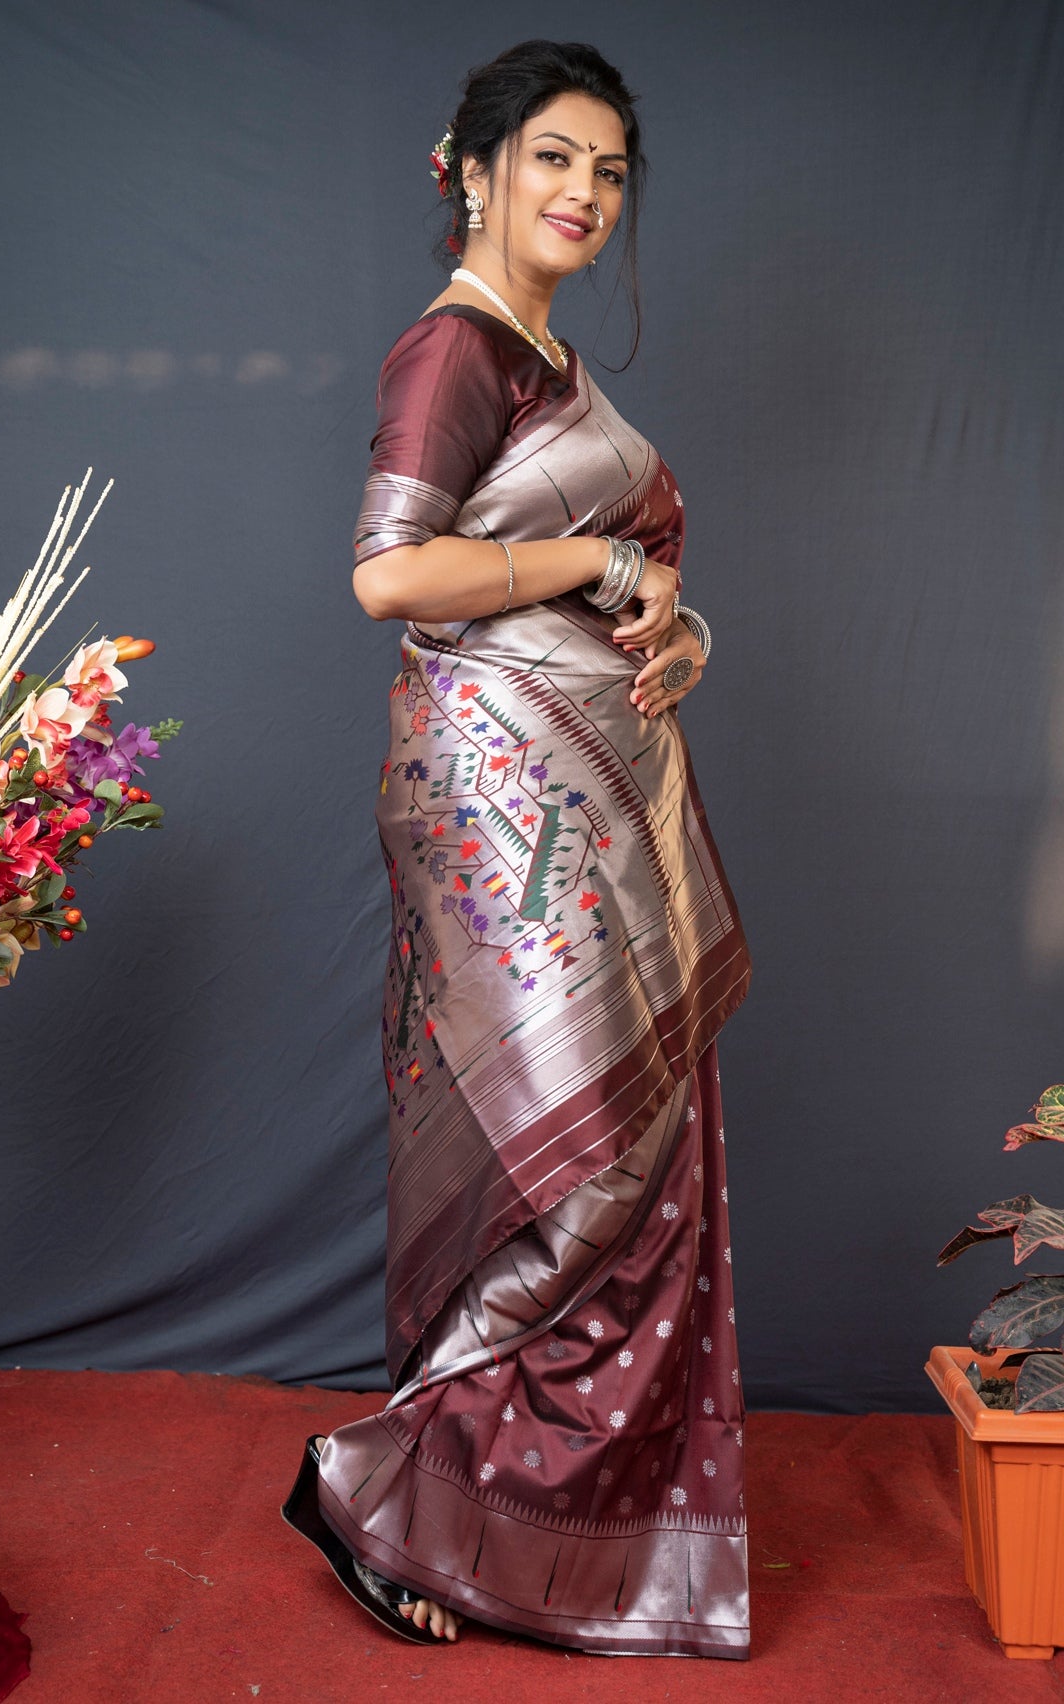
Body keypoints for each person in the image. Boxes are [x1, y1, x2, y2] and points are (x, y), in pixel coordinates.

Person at [283, 38, 751, 1659]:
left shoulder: (550, 360)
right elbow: (388, 579)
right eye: (553, 158)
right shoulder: (456, 350)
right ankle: (381, 1482)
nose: (585, 195)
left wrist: (666, 630)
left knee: (622, 1144)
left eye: (611, 171)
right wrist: (604, 569)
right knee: (576, 1158)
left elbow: (602, 590)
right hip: (502, 820)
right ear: (470, 169)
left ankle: (501, 1503)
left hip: (590, 793)